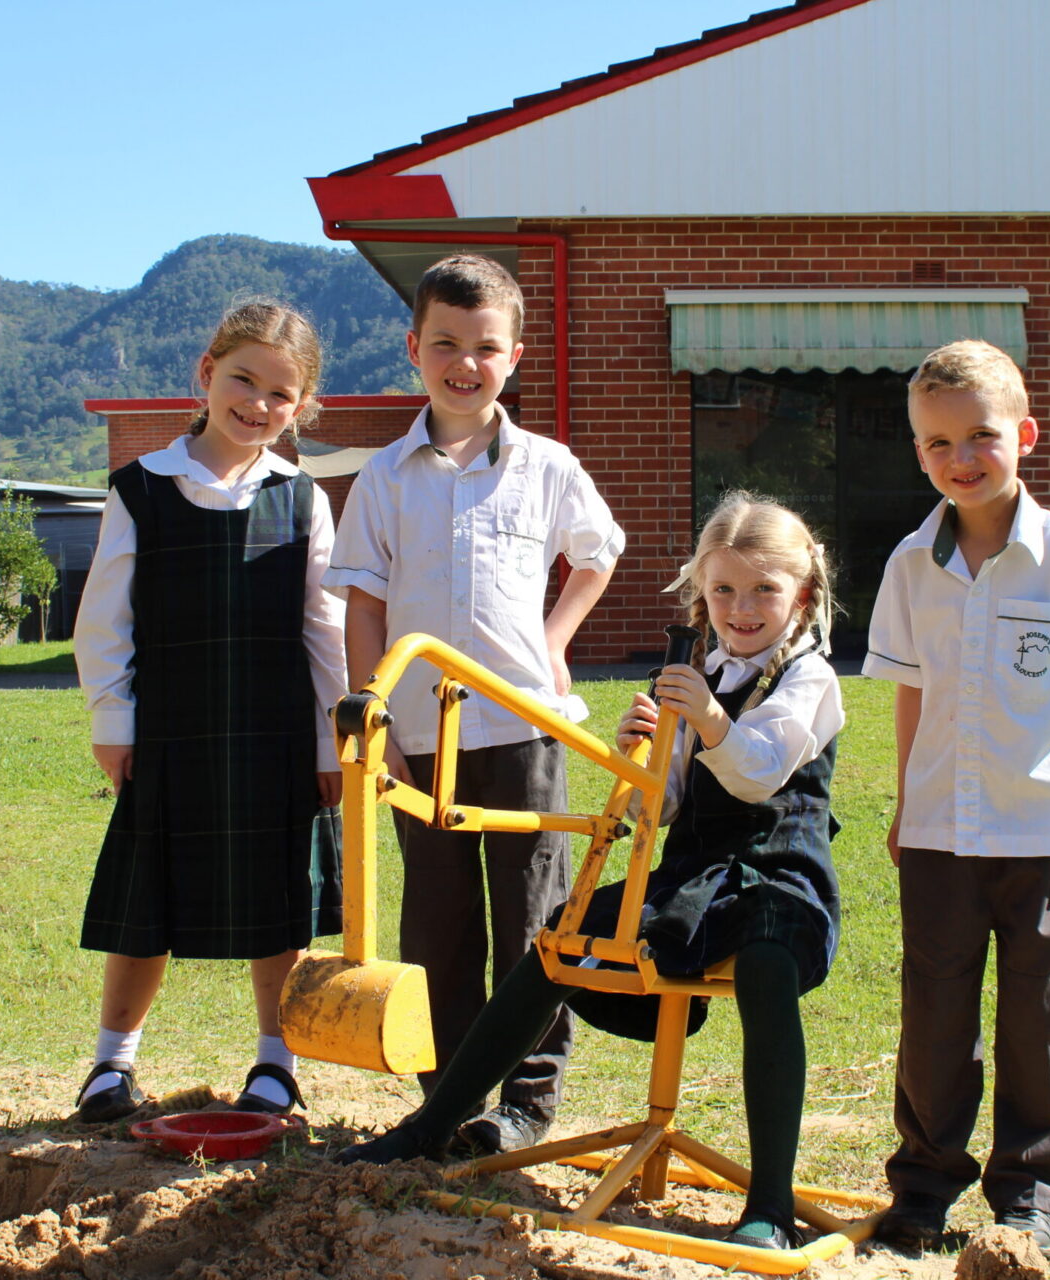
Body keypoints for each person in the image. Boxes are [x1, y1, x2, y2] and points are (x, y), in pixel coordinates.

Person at [337, 492, 843, 1253]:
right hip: (693, 876)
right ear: (702, 595)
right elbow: (663, 811)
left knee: (767, 965)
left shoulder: (809, 679)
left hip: (779, 874)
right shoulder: (695, 668)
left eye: (765, 590)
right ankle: (431, 1126)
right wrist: (643, 751)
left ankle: (769, 1201)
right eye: (724, 591)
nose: (743, 609)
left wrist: (705, 719)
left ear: (801, 595)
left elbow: (758, 773)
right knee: (561, 939)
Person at [324, 254, 623, 1156]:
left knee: (533, 922)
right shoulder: (385, 477)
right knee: (439, 926)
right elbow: (365, 605)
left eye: (485, 347)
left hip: (523, 728)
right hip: (422, 737)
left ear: (515, 356)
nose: (465, 363)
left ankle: (525, 1103)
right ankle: (445, 1098)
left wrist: (557, 641)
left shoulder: (547, 466)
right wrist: (376, 724)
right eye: (446, 344)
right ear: (414, 348)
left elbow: (599, 553)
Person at [863, 340, 1050, 1258]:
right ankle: (922, 1188)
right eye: (938, 442)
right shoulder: (912, 564)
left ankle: (1028, 1194)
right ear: (919, 453)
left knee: (1040, 1017)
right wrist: (908, 801)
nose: (962, 457)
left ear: (1023, 436)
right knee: (934, 1015)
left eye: (981, 435)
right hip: (944, 830)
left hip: (1043, 827)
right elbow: (913, 688)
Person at [69, 299, 348, 1123]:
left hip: (275, 737)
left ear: (302, 407)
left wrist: (331, 740)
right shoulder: (140, 490)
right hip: (171, 731)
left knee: (278, 900)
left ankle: (276, 1063)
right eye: (244, 381)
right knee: (145, 900)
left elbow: (323, 631)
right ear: (206, 373)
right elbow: (105, 622)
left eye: (281, 394)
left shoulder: (303, 499)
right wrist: (112, 725)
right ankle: (110, 1066)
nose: (259, 405)